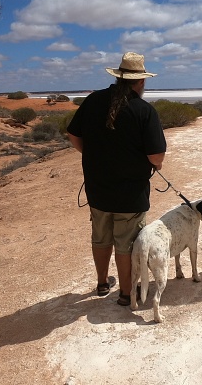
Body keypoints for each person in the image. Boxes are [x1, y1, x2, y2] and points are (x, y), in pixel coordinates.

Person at [67, 52, 167, 305]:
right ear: (141, 81)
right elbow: (156, 155)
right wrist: (155, 164)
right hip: (131, 193)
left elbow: (73, 135)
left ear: (119, 77)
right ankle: (125, 293)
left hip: (98, 188)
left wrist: (92, 155)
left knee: (101, 237)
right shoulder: (144, 111)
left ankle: (102, 283)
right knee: (127, 243)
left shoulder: (93, 101)